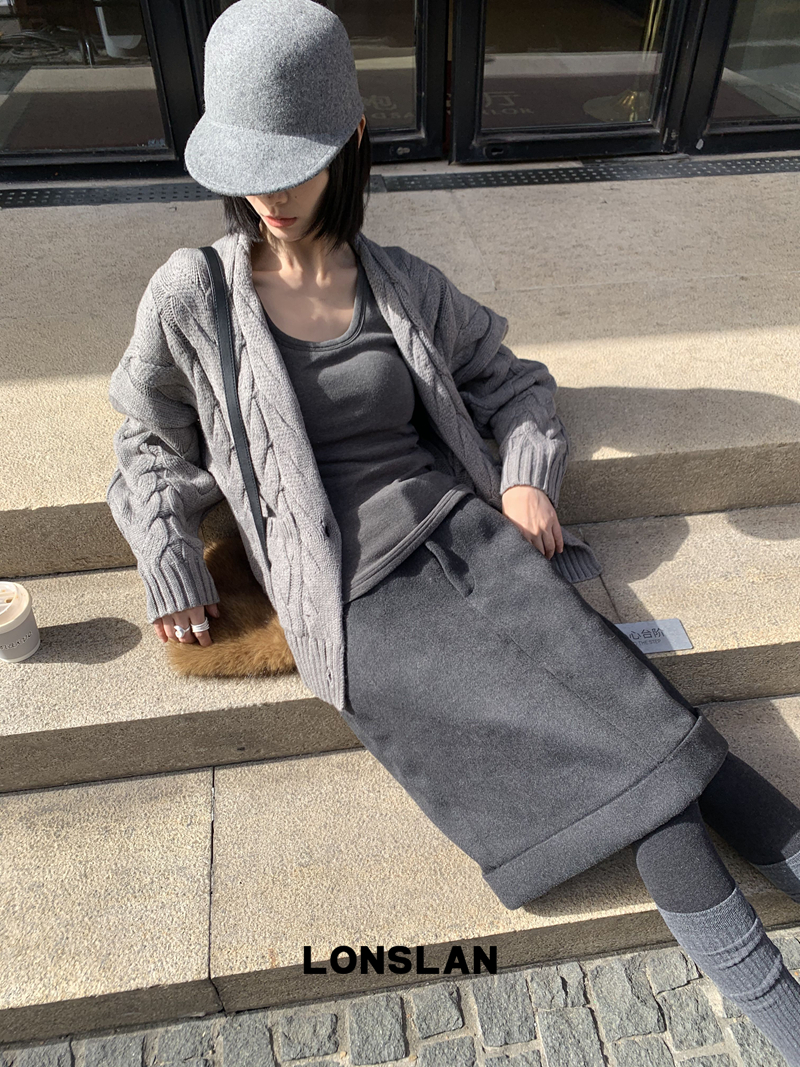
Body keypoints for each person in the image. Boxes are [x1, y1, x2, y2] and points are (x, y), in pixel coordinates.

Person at [106, 0, 800, 1058]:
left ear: (351, 142)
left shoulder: (400, 283)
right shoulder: (192, 294)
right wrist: (166, 551)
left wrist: (525, 481)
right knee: (653, 785)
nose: (269, 194)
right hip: (361, 603)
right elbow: (144, 440)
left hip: (471, 543)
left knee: (667, 736)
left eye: (293, 164)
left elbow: (515, 382)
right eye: (248, 167)